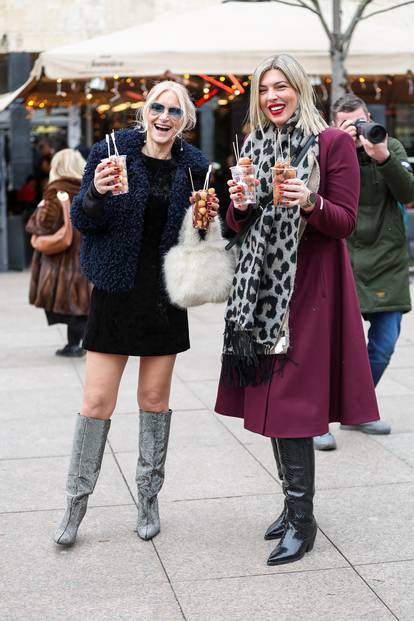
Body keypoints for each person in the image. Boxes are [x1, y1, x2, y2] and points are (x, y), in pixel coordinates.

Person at [214, 54, 380, 566]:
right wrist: (239, 202)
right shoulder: (256, 144)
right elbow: (237, 223)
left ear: (300, 90)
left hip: (310, 292)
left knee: (289, 405)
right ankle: (291, 509)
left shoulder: (331, 142)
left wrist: (309, 201)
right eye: (264, 89)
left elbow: (345, 221)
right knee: (270, 400)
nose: (272, 96)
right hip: (260, 295)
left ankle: (302, 522)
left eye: (281, 86)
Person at [54, 81, 219, 546]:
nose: (163, 116)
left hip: (164, 297)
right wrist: (96, 195)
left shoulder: (196, 169)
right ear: (143, 112)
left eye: (174, 110)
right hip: (115, 291)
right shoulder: (111, 151)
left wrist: (203, 220)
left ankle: (148, 498)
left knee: (152, 400)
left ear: (185, 120)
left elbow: (204, 235)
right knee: (97, 403)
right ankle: (75, 504)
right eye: (156, 107)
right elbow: (86, 222)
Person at [314, 94, 413, 451]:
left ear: (369, 117)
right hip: (343, 259)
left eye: (360, 122)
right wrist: (340, 148)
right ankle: (317, 417)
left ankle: (357, 408)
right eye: (347, 125)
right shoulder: (324, 150)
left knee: (383, 345)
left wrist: (382, 156)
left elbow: (410, 194)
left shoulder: (390, 146)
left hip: (386, 260)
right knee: (329, 346)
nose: (357, 131)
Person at [25, 149, 91, 357]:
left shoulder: (55, 192)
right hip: (86, 255)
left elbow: (42, 224)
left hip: (61, 258)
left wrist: (39, 209)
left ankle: (74, 345)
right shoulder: (89, 189)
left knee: (66, 301)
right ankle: (77, 343)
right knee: (81, 302)